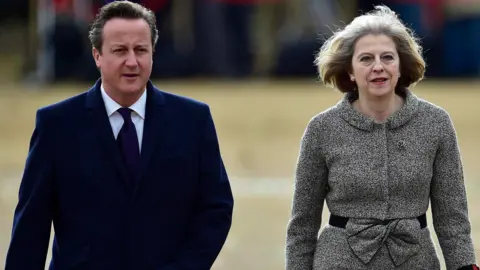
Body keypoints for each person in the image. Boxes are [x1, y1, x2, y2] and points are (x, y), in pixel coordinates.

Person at [5, 1, 234, 269]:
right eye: (120, 51)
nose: (132, 62)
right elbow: (31, 227)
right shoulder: (56, 125)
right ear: (97, 56)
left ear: (153, 53)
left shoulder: (193, 120)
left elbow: (215, 208)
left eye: (141, 50)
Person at [285, 5, 478, 270]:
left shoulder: (436, 123)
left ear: (401, 65)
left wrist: (465, 266)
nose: (378, 67)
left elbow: (452, 219)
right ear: (350, 70)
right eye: (366, 59)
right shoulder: (322, 129)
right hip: (339, 262)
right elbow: (302, 226)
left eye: (387, 57)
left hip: (416, 261)